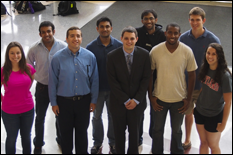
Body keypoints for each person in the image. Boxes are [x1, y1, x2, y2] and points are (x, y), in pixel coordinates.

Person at [49, 26, 99, 154]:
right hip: (63, 103)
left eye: (78, 36)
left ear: (81, 38)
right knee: (65, 135)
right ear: (66, 38)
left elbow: (94, 80)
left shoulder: (90, 57)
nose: (75, 39)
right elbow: (52, 82)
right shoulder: (57, 58)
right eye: (72, 36)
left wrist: (93, 100)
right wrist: (54, 103)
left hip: (84, 101)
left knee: (82, 134)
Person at [149, 23, 197, 154]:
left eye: (176, 33)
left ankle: (176, 152)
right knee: (157, 129)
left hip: (179, 100)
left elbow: (192, 75)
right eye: (170, 32)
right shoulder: (156, 51)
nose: (172, 35)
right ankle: (157, 151)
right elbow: (149, 73)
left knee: (176, 130)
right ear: (165, 33)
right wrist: (151, 97)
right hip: (159, 98)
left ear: (179, 35)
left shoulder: (187, 51)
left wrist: (188, 99)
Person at [179, 7, 221, 150]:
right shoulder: (183, 38)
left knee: (205, 116)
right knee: (188, 112)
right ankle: (187, 138)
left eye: (198, 20)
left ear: (203, 20)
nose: (195, 23)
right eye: (192, 20)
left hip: (205, 87)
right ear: (189, 20)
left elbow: (217, 65)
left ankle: (208, 141)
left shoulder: (213, 40)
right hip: (188, 86)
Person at [107, 26, 151, 154]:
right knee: (119, 136)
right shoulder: (112, 56)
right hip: (118, 104)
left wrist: (136, 99)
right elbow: (112, 81)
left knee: (135, 136)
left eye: (132, 38)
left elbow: (146, 79)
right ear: (121, 39)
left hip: (137, 105)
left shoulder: (144, 55)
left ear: (136, 39)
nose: (129, 41)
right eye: (126, 38)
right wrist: (125, 100)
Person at [26, 21, 67, 154]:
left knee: (59, 116)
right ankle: (38, 143)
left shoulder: (63, 46)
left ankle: (60, 139)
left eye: (49, 31)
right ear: (40, 34)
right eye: (43, 32)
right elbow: (28, 67)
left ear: (53, 31)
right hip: (42, 88)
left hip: (59, 88)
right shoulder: (34, 49)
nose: (46, 34)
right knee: (40, 117)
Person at [86, 17, 122, 154]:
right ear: (97, 29)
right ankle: (97, 143)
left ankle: (112, 143)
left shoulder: (119, 46)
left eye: (107, 26)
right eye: (102, 26)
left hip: (114, 91)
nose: (105, 29)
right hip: (97, 91)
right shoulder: (91, 48)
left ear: (111, 28)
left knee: (113, 117)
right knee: (96, 117)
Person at [135, 9, 166, 151]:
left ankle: (155, 137)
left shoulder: (163, 35)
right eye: (146, 19)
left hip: (158, 78)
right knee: (139, 108)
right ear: (142, 21)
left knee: (156, 109)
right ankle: (138, 137)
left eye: (151, 18)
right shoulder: (137, 33)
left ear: (156, 20)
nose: (149, 21)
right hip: (139, 78)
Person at [194, 43, 232, 154]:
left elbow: (228, 102)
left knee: (213, 145)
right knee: (203, 142)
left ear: (219, 56)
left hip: (214, 116)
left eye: (213, 54)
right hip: (200, 112)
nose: (210, 56)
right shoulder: (205, 68)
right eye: (208, 53)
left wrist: (223, 123)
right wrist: (196, 105)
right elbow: (203, 89)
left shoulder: (224, 76)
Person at [1, 42, 36, 154]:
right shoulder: (3, 71)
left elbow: (30, 82)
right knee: (11, 138)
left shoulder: (28, 68)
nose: (15, 56)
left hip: (28, 109)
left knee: (26, 137)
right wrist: (4, 100)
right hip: (10, 112)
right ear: (8, 54)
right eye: (12, 53)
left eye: (18, 53)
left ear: (22, 54)